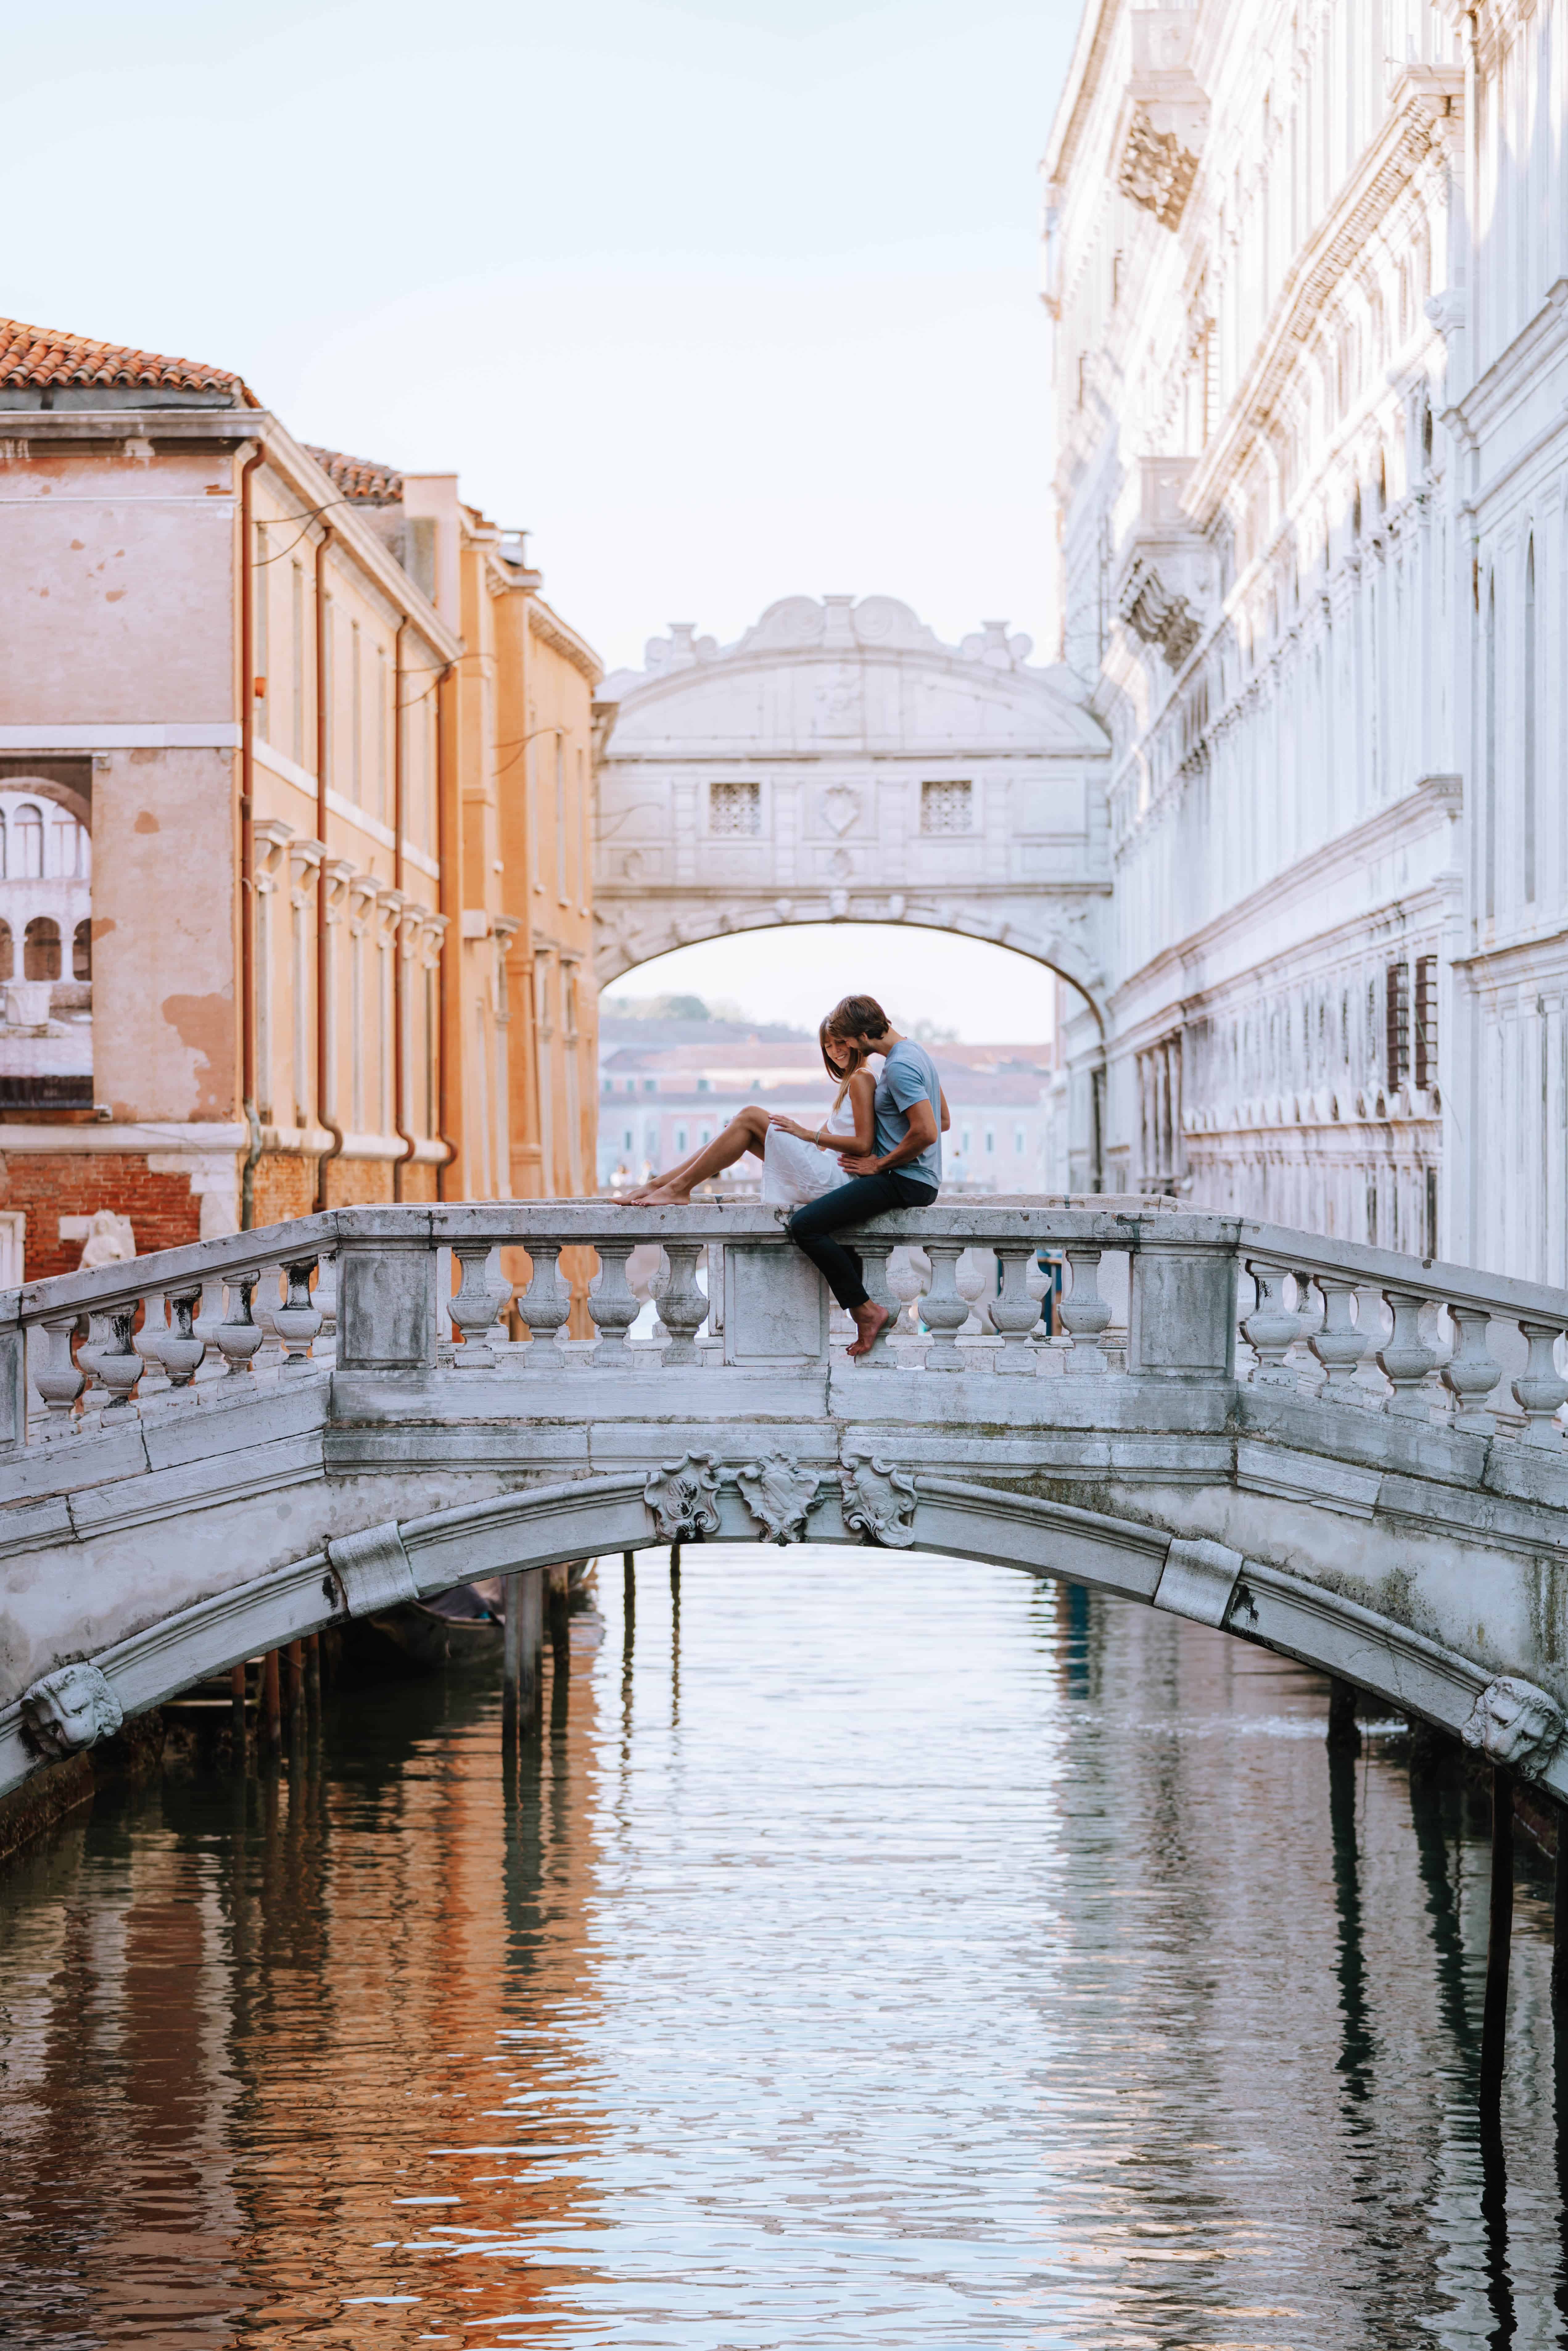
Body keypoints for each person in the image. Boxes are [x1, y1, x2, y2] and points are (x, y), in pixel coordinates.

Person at [786, 994, 943, 1357]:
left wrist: (879, 1163)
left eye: (843, 1040)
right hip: (919, 1176)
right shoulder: (916, 1052)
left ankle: (866, 1311)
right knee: (833, 1218)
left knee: (805, 1225)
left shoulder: (898, 1068)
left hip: (906, 1178)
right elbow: (943, 1118)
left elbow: (928, 1131)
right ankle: (864, 1307)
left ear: (859, 1037)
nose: (842, 1048)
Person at [617, 1023, 877, 1207]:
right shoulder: (851, 1082)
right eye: (828, 1046)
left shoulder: (862, 1079)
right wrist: (798, 1137)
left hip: (837, 1181)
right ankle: (661, 1185)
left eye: (840, 1042)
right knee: (742, 1126)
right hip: (829, 1175)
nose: (835, 1051)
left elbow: (864, 1145)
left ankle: (676, 1188)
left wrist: (807, 1133)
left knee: (750, 1115)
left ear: (854, 1040)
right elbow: (824, 1142)